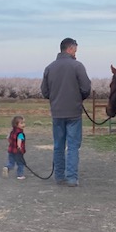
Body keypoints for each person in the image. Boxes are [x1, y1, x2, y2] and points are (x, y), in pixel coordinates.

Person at [41, 38, 91, 186]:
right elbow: (86, 88)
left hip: (57, 113)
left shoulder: (49, 68)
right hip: (74, 113)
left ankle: (59, 176)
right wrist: (78, 98)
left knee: (58, 145)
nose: (76, 53)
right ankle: (72, 178)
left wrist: (56, 99)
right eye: (75, 50)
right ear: (69, 49)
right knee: (73, 146)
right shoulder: (78, 66)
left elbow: (44, 92)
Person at [2, 115, 26, 180]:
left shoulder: (12, 132)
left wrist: (11, 143)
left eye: (24, 123)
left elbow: (8, 138)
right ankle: (20, 175)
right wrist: (19, 147)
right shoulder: (20, 133)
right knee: (20, 163)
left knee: (11, 162)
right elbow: (19, 140)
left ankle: (7, 167)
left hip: (11, 150)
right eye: (21, 123)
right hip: (18, 151)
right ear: (16, 124)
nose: (24, 124)